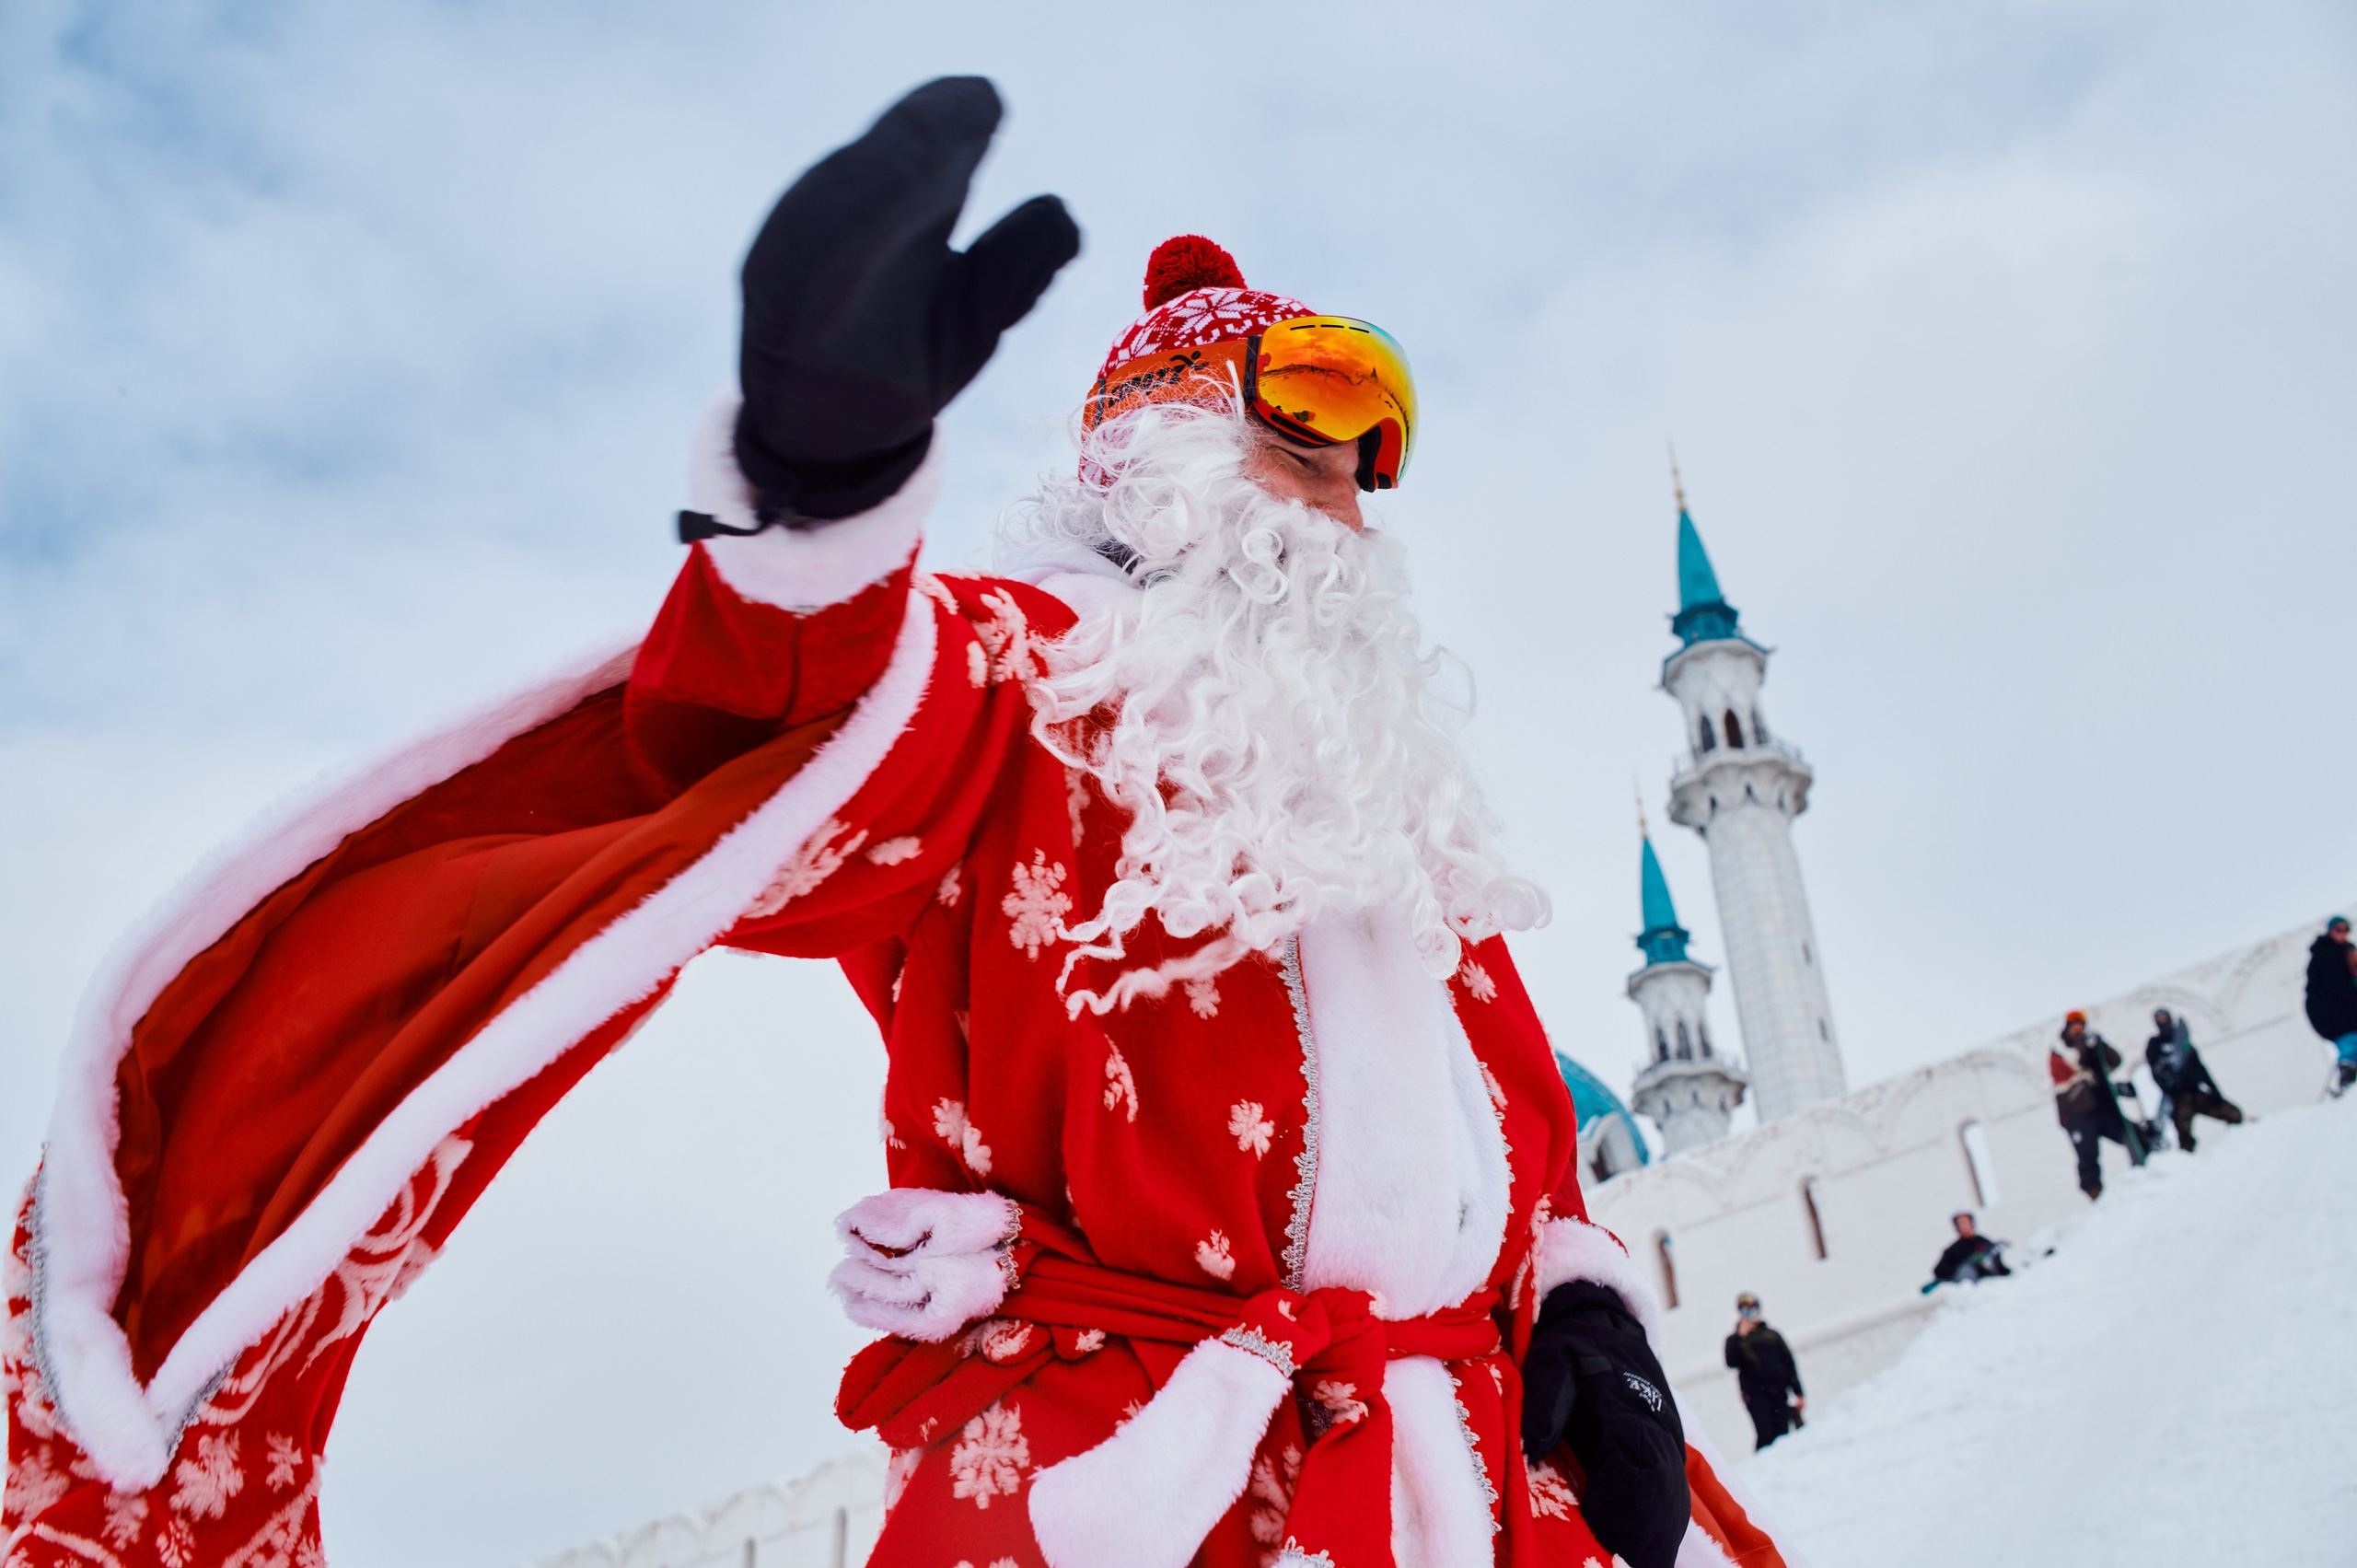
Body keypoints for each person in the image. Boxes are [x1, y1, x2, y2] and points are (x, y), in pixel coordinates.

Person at [0, 80, 1797, 1568]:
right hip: (1130, 1490)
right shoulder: (1025, 684)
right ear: (1156, 456)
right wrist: (822, 484)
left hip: (1466, 1480)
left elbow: (1524, 1138)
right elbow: (807, 710)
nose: (1354, 487)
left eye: (1370, 442)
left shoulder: (1402, 816)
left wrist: (1586, 1311)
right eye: (1304, 425)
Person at [2050, 1010, 2145, 1199]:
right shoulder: (2061, 1051)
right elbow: (2072, 1069)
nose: (2079, 1029)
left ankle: (2143, 1171)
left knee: (2133, 1134)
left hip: (2101, 1107)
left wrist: (2100, 1044)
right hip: (2077, 1113)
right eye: (2074, 1026)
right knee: (2087, 1155)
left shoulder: (2092, 1044)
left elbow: (2113, 1061)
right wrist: (2084, 1046)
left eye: (2081, 1026)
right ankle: (2096, 1196)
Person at [2145, 1007, 2244, 1152]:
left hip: (2197, 1092)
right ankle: (2190, 1168)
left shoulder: (2184, 1043)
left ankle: (2241, 1144)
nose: (2163, 1022)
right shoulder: (2154, 1045)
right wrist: (2171, 1092)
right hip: (2179, 1099)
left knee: (2234, 1114)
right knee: (2185, 1140)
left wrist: (2215, 1091)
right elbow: (2155, 1074)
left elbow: (2200, 1068)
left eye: (2164, 1018)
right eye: (2159, 1020)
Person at [1724, 1293, 1805, 1450]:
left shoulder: (1772, 1336)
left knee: (1783, 1435)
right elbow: (1731, 1362)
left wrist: (1799, 1392)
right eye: (1744, 1309)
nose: (1748, 1312)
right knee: (1766, 1435)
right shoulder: (1734, 1340)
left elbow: (1789, 1364)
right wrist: (1740, 1337)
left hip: (1779, 1392)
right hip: (1755, 1396)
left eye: (1751, 1308)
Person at [2305, 915, 2357, 1095]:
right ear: (2330, 931)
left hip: (2345, 1009)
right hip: (2330, 1012)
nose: (2343, 934)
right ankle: (2347, 1078)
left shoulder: (2346, 951)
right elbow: (2335, 984)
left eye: (2346, 930)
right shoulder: (2325, 955)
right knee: (2350, 1041)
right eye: (2338, 929)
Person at [1926, 1211, 2011, 1289]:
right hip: (1973, 1288)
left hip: (1992, 1284)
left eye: (1965, 1222)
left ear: (1972, 1223)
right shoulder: (1953, 1250)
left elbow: (1998, 1265)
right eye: (1960, 1224)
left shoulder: (1984, 1242)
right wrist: (1959, 1267)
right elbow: (1939, 1270)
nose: (1964, 1226)